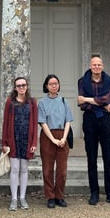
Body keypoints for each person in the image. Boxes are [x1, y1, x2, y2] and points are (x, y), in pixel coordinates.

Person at [77, 55, 110, 206]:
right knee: (91, 158)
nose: (96, 67)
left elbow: (106, 99)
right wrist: (100, 102)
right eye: (94, 65)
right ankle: (94, 192)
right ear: (90, 66)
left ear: (102, 66)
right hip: (89, 120)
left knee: (109, 158)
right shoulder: (82, 81)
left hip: (106, 121)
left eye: (99, 65)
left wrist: (88, 99)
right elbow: (81, 104)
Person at [1, 76, 38, 211]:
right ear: (15, 88)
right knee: (15, 169)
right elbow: (5, 123)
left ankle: (22, 197)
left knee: (24, 169)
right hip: (13, 139)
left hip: (26, 140)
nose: (21, 87)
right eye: (19, 85)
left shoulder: (32, 102)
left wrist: (34, 142)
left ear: (27, 86)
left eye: (23, 85)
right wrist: (4, 142)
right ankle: (14, 199)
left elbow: (34, 123)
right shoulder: (10, 102)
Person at [38, 74, 74, 208]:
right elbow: (42, 122)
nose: (54, 86)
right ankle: (50, 196)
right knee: (47, 168)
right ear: (46, 86)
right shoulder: (42, 102)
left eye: (56, 83)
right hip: (48, 135)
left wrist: (64, 138)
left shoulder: (64, 101)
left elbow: (68, 121)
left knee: (62, 170)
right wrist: (53, 139)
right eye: (51, 84)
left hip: (62, 134)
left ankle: (59, 195)